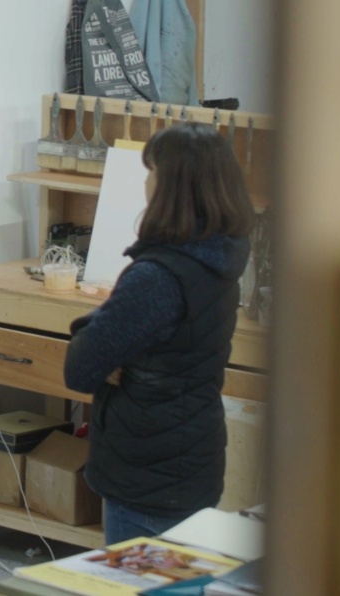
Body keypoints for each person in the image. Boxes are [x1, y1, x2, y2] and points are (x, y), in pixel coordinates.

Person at [63, 123, 254, 544]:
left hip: (147, 473)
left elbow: (80, 367)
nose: (146, 182)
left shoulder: (157, 278)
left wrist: (106, 350)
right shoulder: (219, 260)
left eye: (151, 172)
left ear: (171, 187)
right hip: (192, 458)